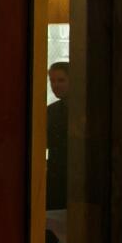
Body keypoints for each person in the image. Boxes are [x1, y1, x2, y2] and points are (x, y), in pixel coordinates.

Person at [46, 61, 69, 211]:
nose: (55, 85)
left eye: (61, 80)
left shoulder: (88, 111)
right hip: (56, 182)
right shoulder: (51, 111)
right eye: (52, 81)